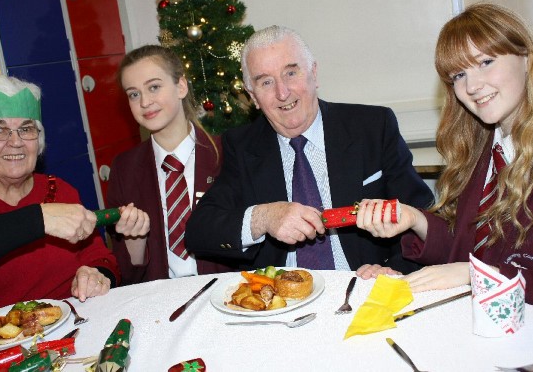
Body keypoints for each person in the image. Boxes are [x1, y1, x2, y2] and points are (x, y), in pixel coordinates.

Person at [355, 3, 533, 318]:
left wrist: (478, 276)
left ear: (527, 59)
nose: (472, 87)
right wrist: (415, 219)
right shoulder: (482, 152)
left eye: (486, 62)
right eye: (459, 74)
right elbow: (471, 249)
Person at [185, 25, 434, 272]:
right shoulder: (241, 146)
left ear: (314, 73)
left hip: (365, 288)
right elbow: (199, 231)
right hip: (282, 300)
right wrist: (264, 217)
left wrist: (396, 270)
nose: (282, 93)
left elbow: (421, 213)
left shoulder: (372, 126)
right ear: (252, 97)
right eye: (266, 82)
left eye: (291, 73)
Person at [0, 74, 148, 338]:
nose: (16, 141)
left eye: (26, 129)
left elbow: (100, 258)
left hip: (66, 335)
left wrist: (96, 275)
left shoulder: (60, 190)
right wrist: (39, 218)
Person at [107, 45, 236, 284]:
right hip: (160, 299)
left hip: (226, 293)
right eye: (134, 94)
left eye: (154, 87)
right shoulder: (124, 169)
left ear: (181, 86)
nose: (145, 102)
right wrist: (135, 241)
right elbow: (126, 273)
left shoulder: (227, 154)